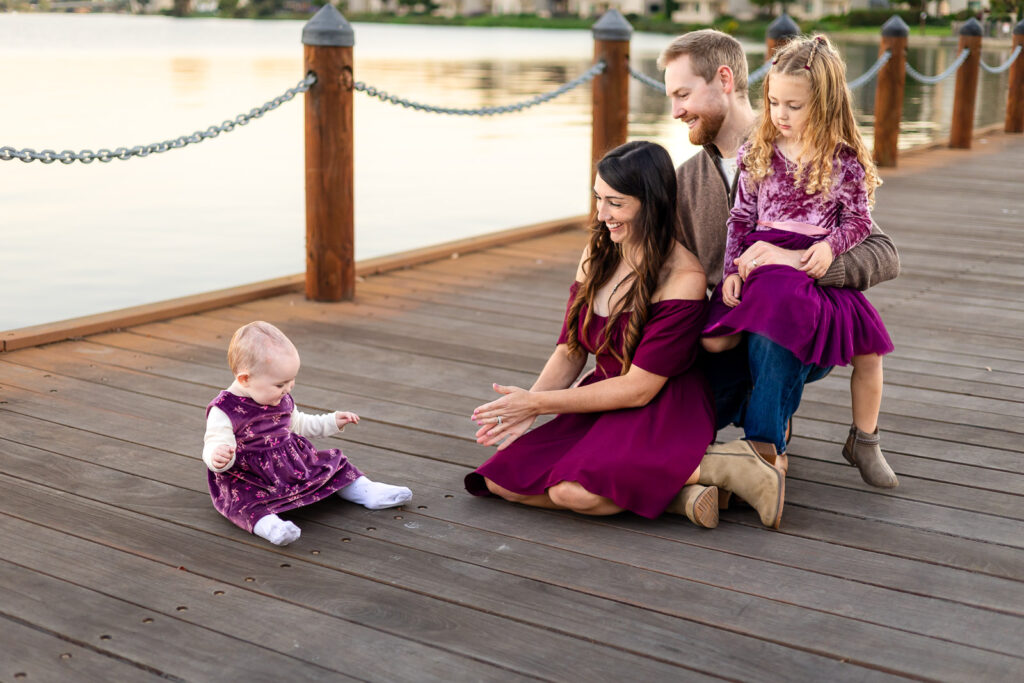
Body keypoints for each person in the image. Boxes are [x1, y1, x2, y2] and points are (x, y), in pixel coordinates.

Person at [464, 141, 784, 530]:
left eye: (615, 203)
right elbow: (570, 351)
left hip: (661, 407)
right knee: (499, 482)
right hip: (600, 395)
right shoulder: (596, 253)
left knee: (573, 493)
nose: (602, 215)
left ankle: (720, 465)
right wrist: (528, 406)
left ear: (651, 203)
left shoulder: (683, 276)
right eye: (598, 198)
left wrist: (539, 404)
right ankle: (678, 495)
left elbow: (639, 389)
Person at [659, 29, 901, 485]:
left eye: (683, 94)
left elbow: (881, 249)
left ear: (725, 79)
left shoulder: (833, 157)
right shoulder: (690, 179)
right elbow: (726, 226)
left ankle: (766, 446)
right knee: (688, 407)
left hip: (803, 306)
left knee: (785, 331)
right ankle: (717, 460)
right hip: (738, 311)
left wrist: (810, 261)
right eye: (776, 104)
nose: (675, 110)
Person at [203, 321, 412, 546]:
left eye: (291, 381)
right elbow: (214, 442)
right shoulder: (224, 410)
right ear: (245, 379)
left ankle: (365, 490)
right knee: (243, 501)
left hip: (293, 464)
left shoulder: (278, 396)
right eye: (280, 384)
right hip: (252, 475)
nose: (288, 388)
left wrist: (331, 421)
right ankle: (270, 526)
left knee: (335, 464)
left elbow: (298, 423)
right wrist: (218, 457)